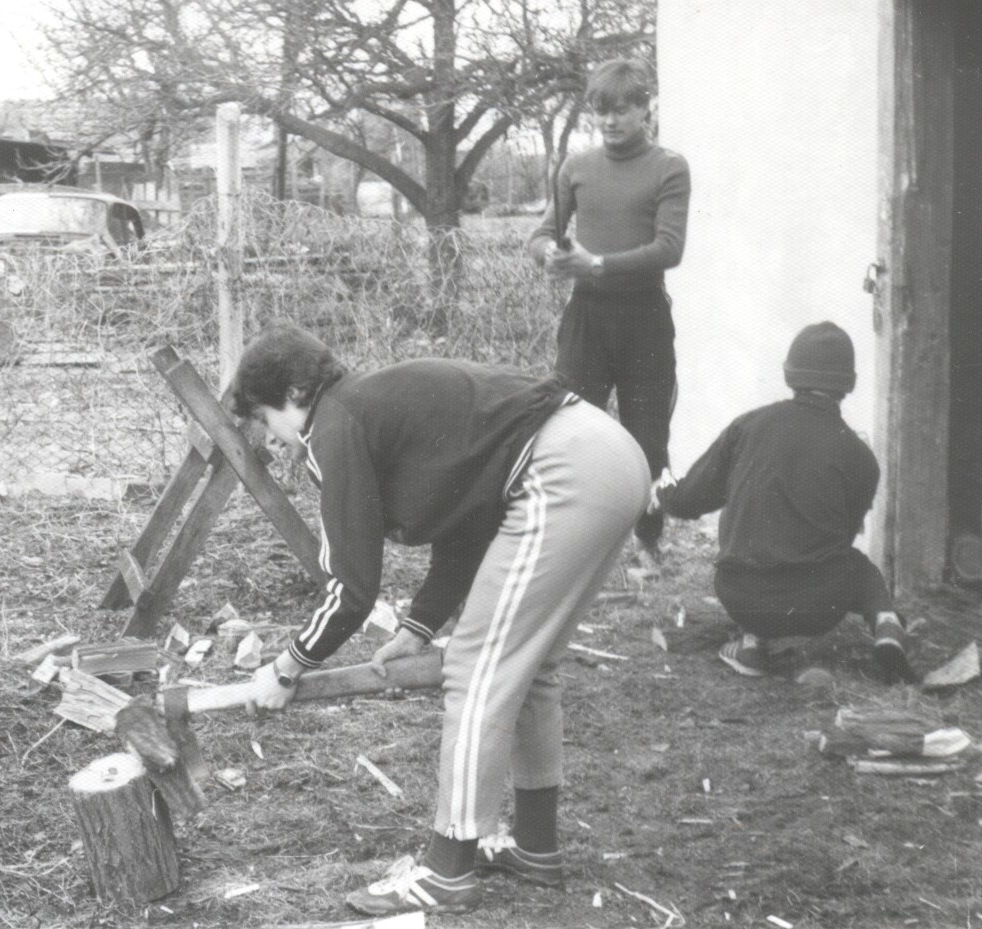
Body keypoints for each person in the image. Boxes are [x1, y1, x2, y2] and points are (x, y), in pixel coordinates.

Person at [229, 323, 651, 916]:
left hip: (564, 470)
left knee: (475, 671)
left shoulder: (336, 424)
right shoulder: (374, 406)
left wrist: (288, 665)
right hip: (607, 453)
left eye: (264, 421)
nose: (271, 440)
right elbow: (472, 515)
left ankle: (447, 869)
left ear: (295, 395)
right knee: (531, 670)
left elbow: (351, 588)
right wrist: (420, 625)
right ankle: (533, 847)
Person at [652, 321, 914, 682]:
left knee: (755, 562)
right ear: (848, 384)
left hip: (740, 594)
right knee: (859, 568)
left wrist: (663, 494)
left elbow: (689, 500)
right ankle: (886, 625)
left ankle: (751, 644)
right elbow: (844, 536)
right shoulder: (860, 457)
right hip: (818, 606)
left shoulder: (747, 427)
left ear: (790, 373)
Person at [528, 57, 691, 561]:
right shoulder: (576, 167)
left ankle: (647, 541)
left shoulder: (669, 167)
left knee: (647, 436)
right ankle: (575, 542)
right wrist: (549, 256)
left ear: (645, 107)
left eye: (622, 109)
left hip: (644, 319)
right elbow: (540, 234)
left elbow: (669, 249)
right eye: (601, 111)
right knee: (573, 430)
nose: (610, 121)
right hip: (586, 320)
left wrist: (594, 262)